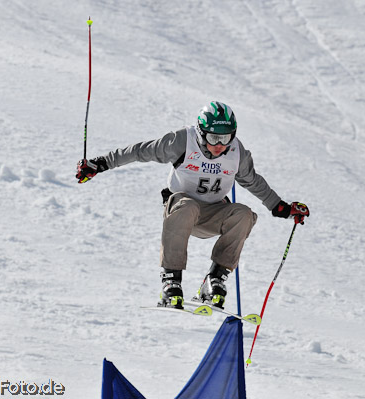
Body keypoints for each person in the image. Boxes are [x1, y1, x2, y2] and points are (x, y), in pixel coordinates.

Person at [76, 101, 309, 310]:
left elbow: (253, 181)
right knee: (188, 206)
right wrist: (100, 164)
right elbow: (140, 151)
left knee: (244, 214)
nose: (219, 146)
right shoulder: (181, 141)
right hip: (180, 208)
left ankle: (214, 279)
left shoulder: (237, 153)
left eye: (226, 138)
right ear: (200, 132)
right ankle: (171, 280)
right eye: (213, 138)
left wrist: (281, 207)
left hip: (214, 212)